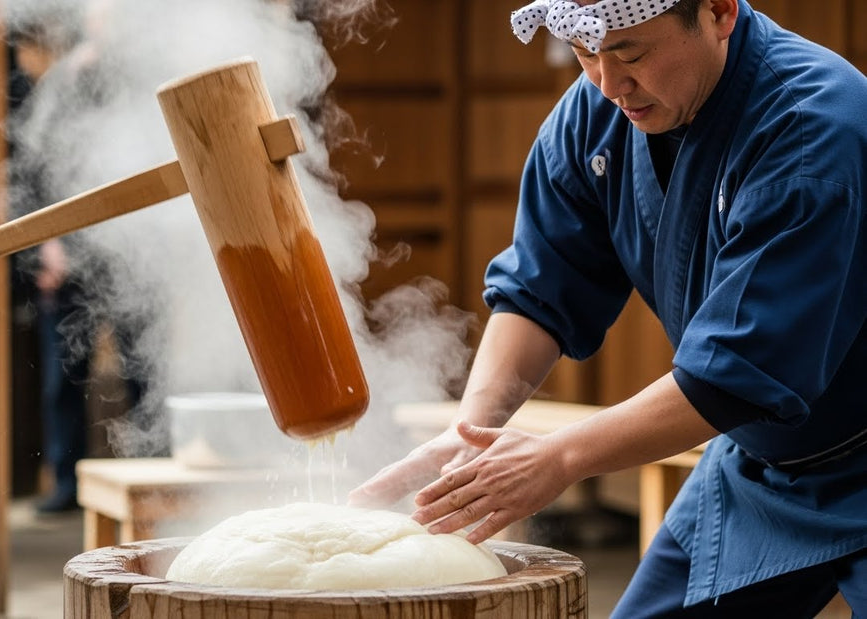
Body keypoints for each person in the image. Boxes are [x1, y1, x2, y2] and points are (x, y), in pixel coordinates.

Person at [349, 0, 867, 615]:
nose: (608, 83)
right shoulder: (595, 112)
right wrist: (475, 432)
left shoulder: (813, 126)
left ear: (719, 11)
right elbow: (539, 292)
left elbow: (740, 373)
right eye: (585, 53)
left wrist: (559, 457)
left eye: (630, 53)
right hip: (757, 464)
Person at [8, 11, 160, 515]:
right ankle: (66, 481)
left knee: (144, 368)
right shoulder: (62, 80)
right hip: (69, 255)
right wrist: (46, 246)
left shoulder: (143, 79)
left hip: (130, 251)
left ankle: (152, 469)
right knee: (62, 377)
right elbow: (30, 168)